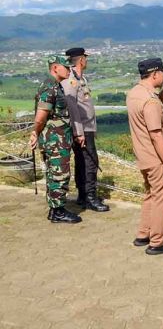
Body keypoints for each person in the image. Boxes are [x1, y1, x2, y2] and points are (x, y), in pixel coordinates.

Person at [126, 58, 163, 255]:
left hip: (142, 156)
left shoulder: (135, 94)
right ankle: (157, 242)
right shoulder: (149, 100)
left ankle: (143, 234)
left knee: (150, 195)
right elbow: (156, 135)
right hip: (156, 159)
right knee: (162, 198)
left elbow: (160, 104)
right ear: (155, 74)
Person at [29, 55, 82, 224]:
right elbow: (40, 117)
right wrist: (35, 133)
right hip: (55, 140)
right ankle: (58, 211)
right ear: (55, 68)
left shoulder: (55, 86)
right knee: (59, 173)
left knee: (54, 173)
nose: (69, 70)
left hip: (58, 139)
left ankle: (55, 209)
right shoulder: (50, 87)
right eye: (66, 67)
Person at [62, 47, 109, 212]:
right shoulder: (70, 80)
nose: (86, 61)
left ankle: (83, 196)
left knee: (83, 162)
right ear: (81, 60)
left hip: (86, 128)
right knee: (90, 163)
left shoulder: (81, 78)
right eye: (85, 58)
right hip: (81, 129)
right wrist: (79, 132)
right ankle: (90, 197)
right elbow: (72, 107)